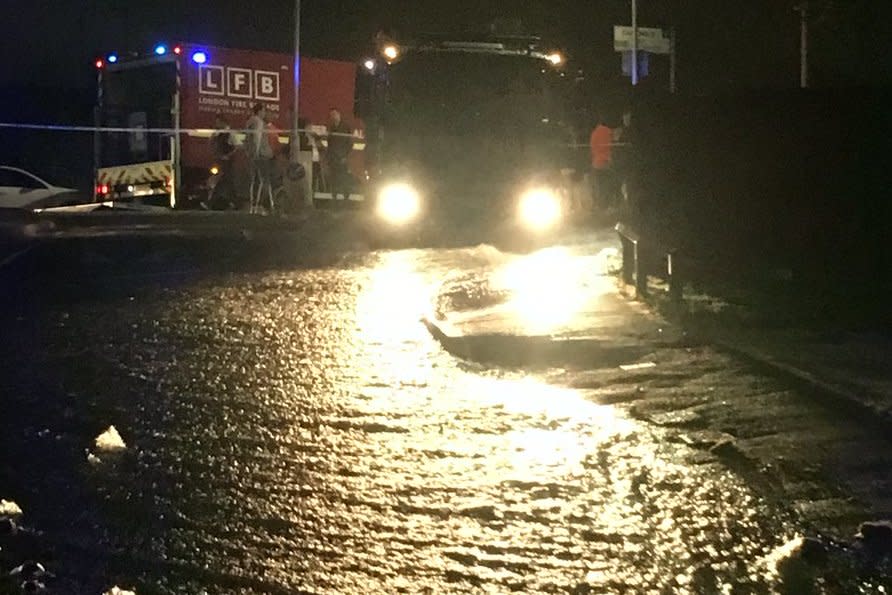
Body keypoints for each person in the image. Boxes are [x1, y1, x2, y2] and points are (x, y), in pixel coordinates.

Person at [245, 103, 274, 213]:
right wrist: (257, 152)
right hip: (261, 154)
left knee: (255, 180)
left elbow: (248, 139)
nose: (265, 113)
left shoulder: (249, 122)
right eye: (264, 111)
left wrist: (250, 153)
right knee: (264, 180)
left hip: (252, 155)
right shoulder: (258, 122)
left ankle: (253, 204)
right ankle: (262, 204)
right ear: (260, 111)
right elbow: (257, 137)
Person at [208, 114, 237, 209]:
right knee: (227, 181)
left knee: (221, 180)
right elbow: (212, 143)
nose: (216, 123)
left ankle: (210, 202)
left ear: (223, 122)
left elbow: (235, 147)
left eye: (218, 121)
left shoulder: (230, 133)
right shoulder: (217, 133)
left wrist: (227, 156)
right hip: (219, 160)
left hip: (226, 162)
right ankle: (233, 202)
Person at [325, 108, 353, 200]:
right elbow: (330, 143)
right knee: (334, 177)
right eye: (331, 115)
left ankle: (346, 196)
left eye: (334, 114)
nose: (333, 117)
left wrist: (345, 155)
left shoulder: (345, 127)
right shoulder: (332, 127)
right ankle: (335, 196)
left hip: (342, 157)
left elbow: (349, 143)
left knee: (343, 177)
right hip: (333, 158)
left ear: (339, 115)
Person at [590, 113, 615, 211]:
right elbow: (612, 145)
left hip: (596, 163)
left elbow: (592, 148)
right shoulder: (608, 131)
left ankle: (601, 206)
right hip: (607, 162)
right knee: (608, 185)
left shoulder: (594, 133)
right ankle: (609, 205)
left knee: (599, 186)